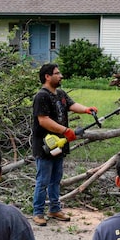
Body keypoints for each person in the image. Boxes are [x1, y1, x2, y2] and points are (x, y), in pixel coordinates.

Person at [31, 63, 98, 227]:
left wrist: (86, 110)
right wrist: (66, 130)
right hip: (45, 145)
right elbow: (43, 120)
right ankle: (38, 212)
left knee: (56, 179)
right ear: (47, 76)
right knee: (43, 180)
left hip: (60, 145)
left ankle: (54, 209)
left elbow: (71, 105)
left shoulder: (60, 93)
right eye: (57, 73)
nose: (60, 76)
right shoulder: (42, 96)